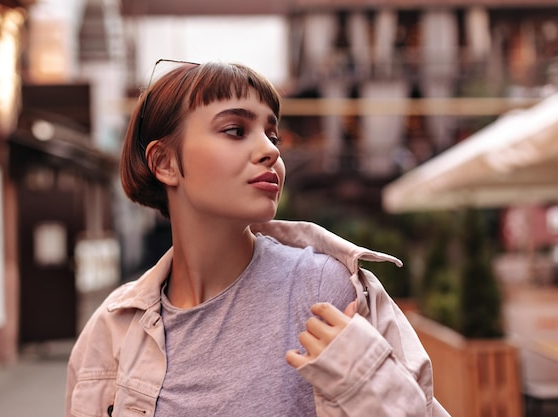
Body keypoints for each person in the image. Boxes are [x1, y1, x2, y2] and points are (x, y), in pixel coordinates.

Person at [65, 59, 450, 417]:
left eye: (272, 135)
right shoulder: (114, 329)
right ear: (165, 163)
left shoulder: (325, 289)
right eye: (236, 130)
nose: (269, 151)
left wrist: (367, 381)